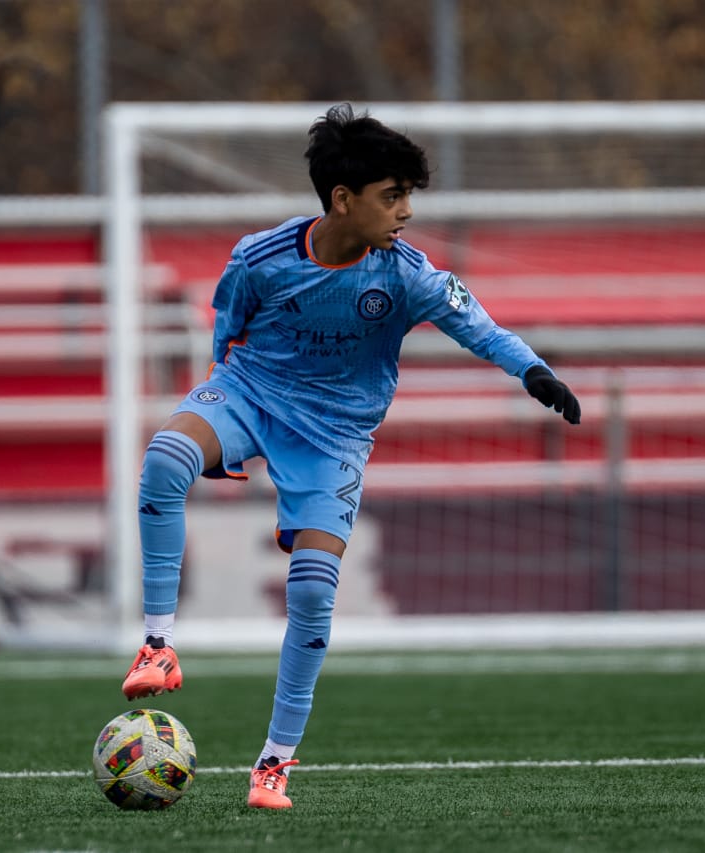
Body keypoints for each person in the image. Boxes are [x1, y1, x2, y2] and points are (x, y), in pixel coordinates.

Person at [120, 103, 581, 809]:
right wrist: (222, 410)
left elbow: (480, 327)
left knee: (310, 593)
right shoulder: (260, 258)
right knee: (163, 458)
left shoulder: (408, 275)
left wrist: (535, 372)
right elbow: (227, 333)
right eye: (391, 196)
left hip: (335, 437)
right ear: (343, 198)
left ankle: (273, 763)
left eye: (407, 197)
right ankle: (157, 643)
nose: (404, 213)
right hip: (252, 395)